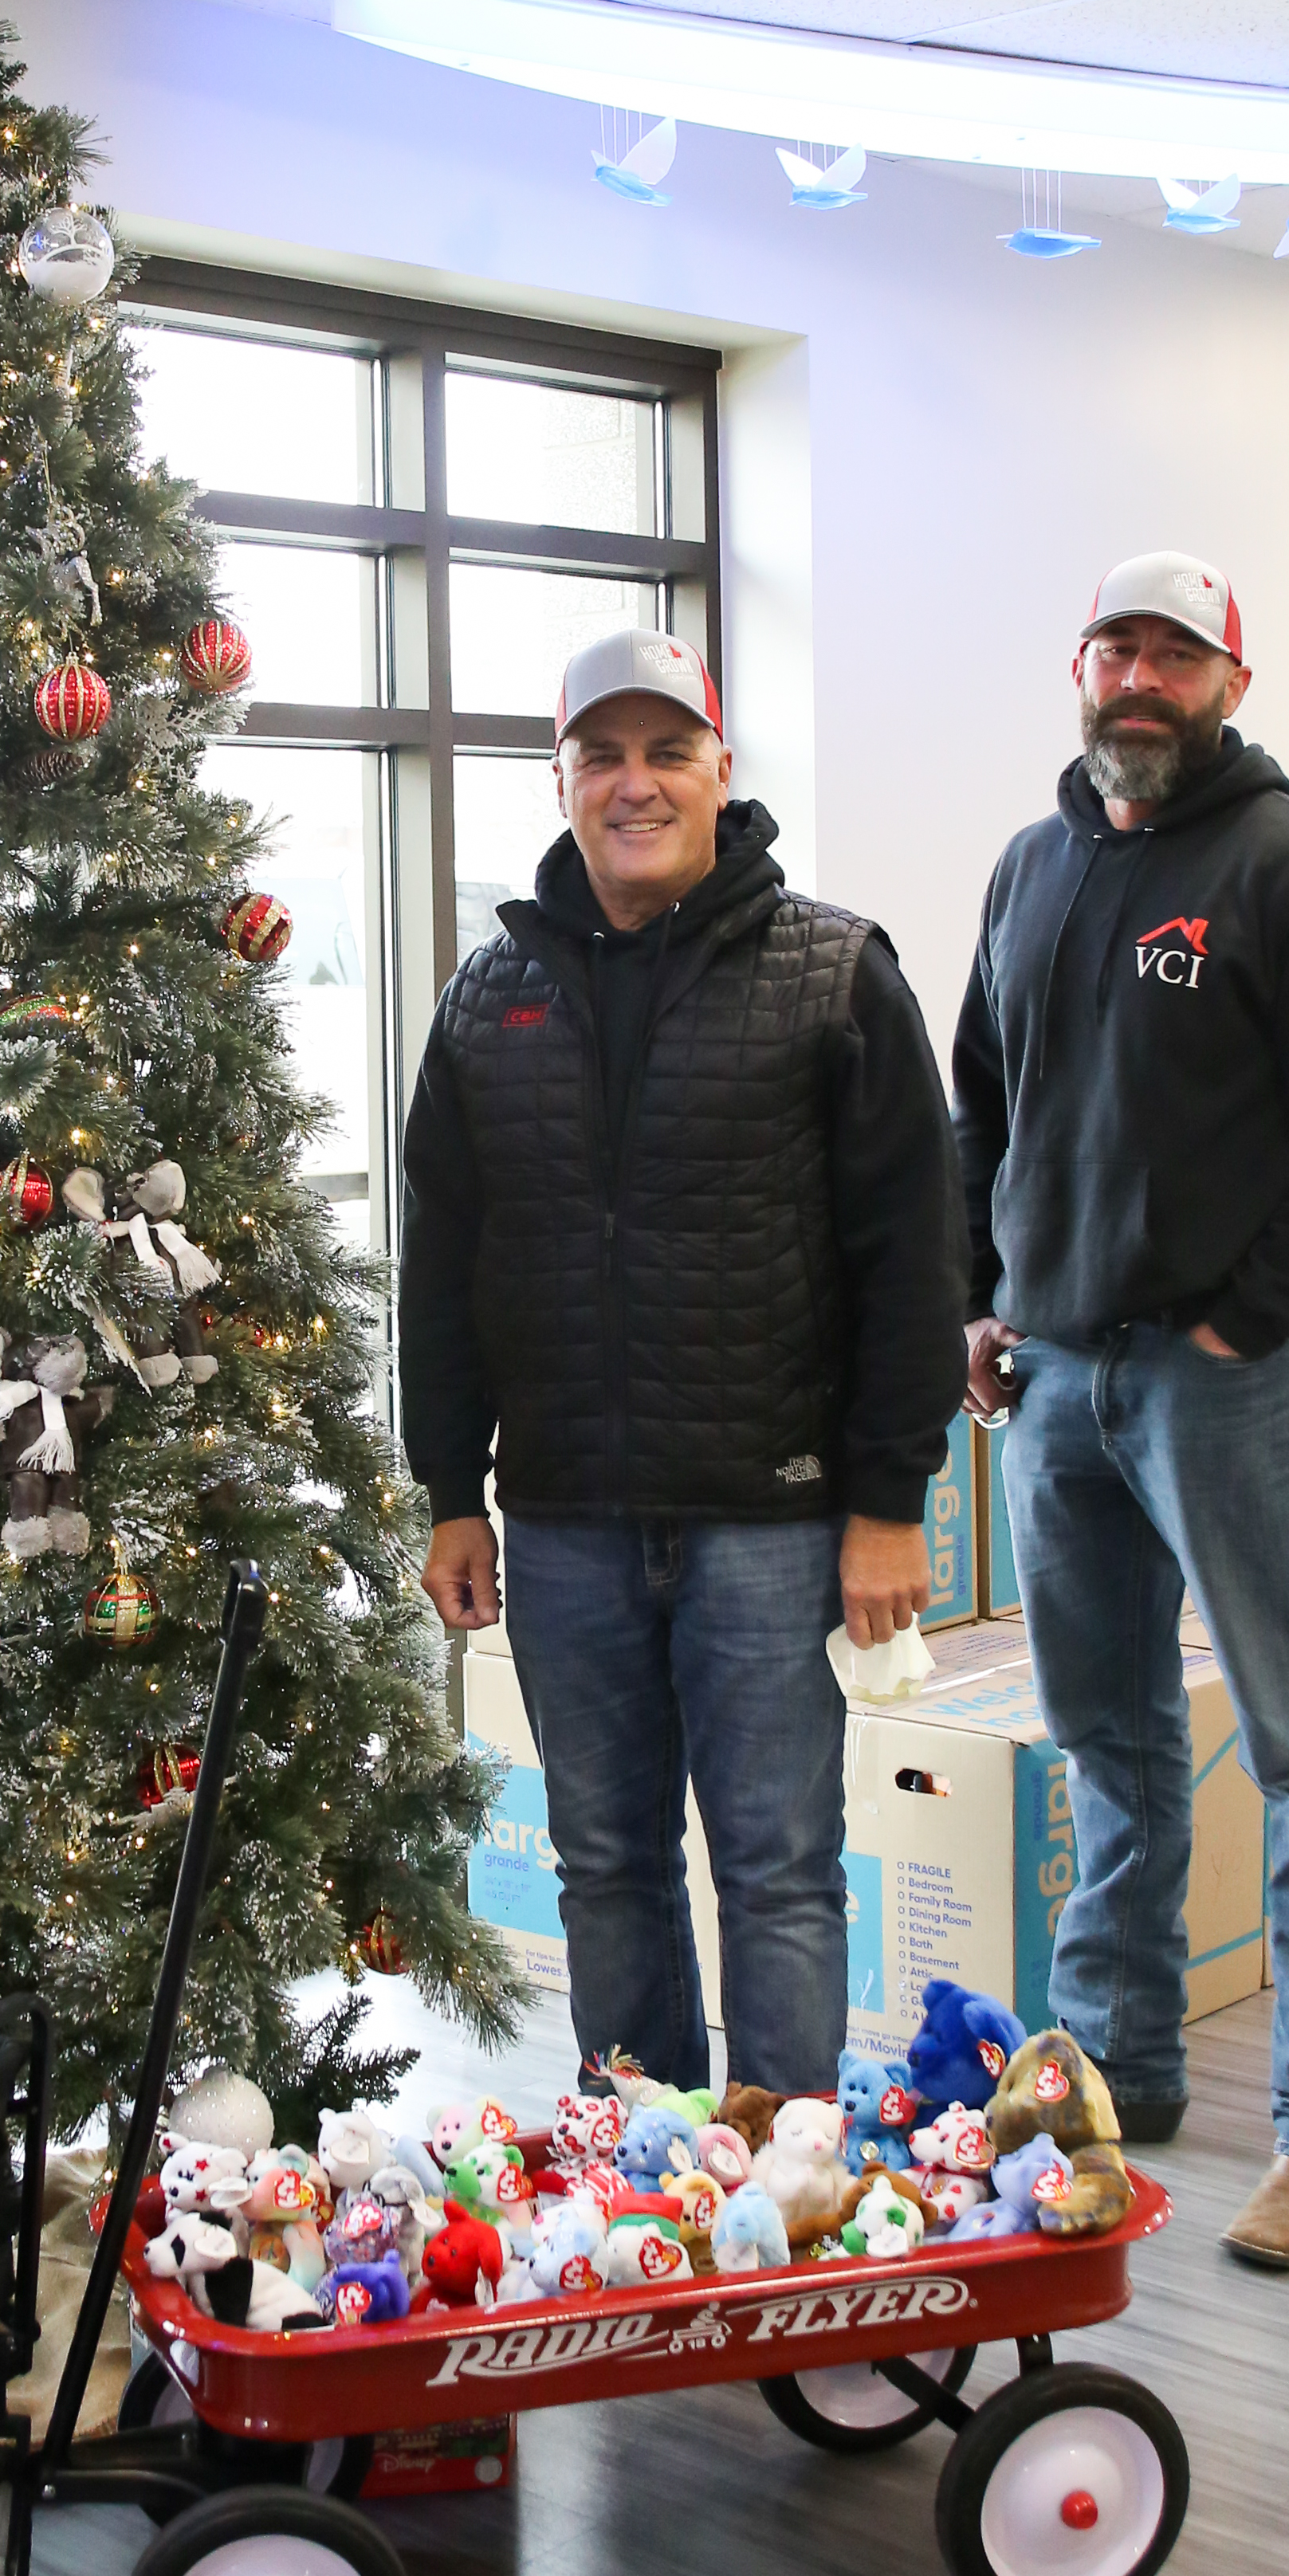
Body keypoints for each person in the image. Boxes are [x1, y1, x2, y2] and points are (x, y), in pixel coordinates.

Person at [399, 625, 969, 2099]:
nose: (634, 783)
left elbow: (914, 1256)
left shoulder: (832, 972)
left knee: (778, 1869)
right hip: (569, 1519)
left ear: (721, 768)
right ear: (562, 778)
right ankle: (644, 2191)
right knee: (604, 1867)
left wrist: (889, 1497)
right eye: (603, 755)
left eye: (667, 751)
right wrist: (448, 1490)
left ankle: (782, 2200)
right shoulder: (486, 1001)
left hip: (769, 1521)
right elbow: (445, 1273)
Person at [953, 552, 1289, 2272]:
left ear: (1233, 681)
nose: (1140, 674)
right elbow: (981, 1109)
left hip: (1225, 1384)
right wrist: (983, 1295)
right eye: (1115, 645)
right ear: (1078, 669)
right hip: (1057, 1379)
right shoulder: (1034, 865)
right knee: (1112, 1749)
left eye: (1176, 650)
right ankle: (1118, 2068)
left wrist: (1248, 1322)